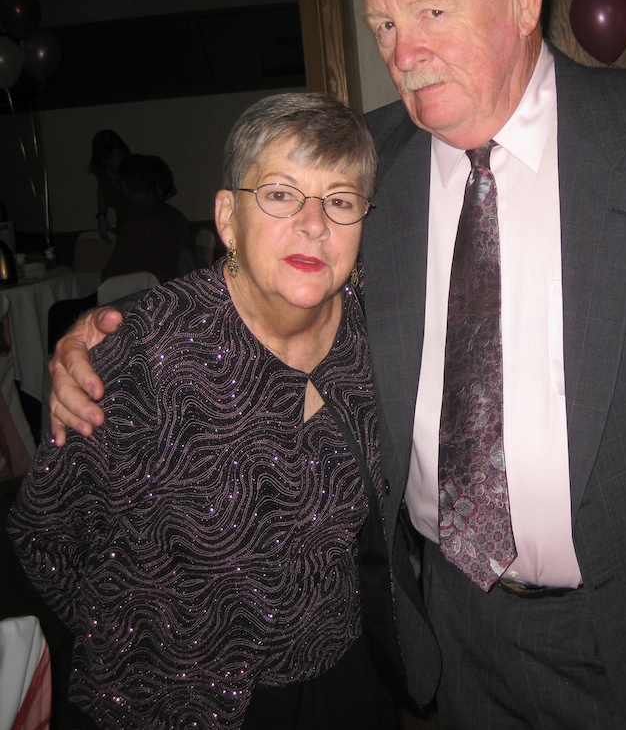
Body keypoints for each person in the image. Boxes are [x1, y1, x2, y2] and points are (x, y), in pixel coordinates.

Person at [48, 0, 626, 730]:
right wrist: (112, 345)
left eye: (431, 10)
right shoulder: (367, 161)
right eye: (382, 23)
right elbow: (269, 289)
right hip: (454, 625)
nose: (403, 50)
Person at [9, 94, 397, 730]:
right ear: (227, 217)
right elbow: (45, 532)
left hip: (345, 683)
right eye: (279, 194)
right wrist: (149, 646)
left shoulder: (379, 334)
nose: (313, 224)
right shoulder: (147, 352)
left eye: (340, 200)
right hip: (182, 703)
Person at [100, 153, 195, 284]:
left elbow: (112, 278)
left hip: (146, 298)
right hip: (176, 294)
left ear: (124, 186)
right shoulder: (176, 216)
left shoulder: (138, 222)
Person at [88, 129, 131, 240]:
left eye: (118, 156)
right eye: (109, 159)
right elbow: (102, 189)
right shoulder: (101, 171)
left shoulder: (134, 166)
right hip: (123, 222)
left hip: (141, 221)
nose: (115, 162)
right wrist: (102, 216)